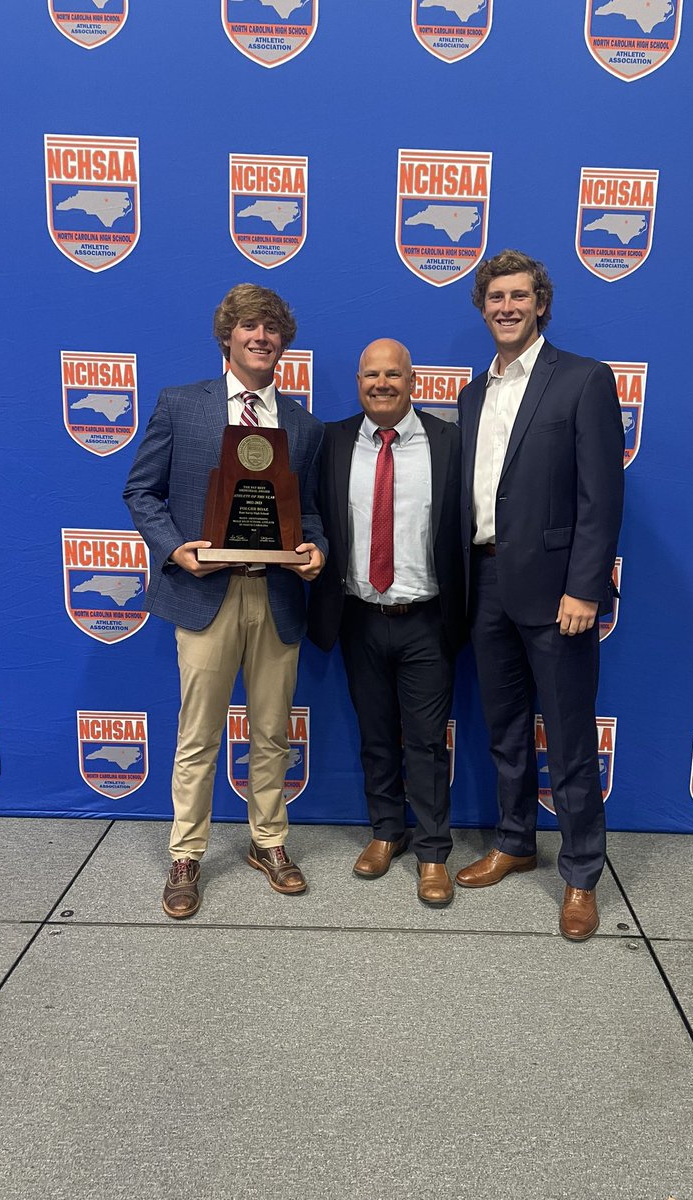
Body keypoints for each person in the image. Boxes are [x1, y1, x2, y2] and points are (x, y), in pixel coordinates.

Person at [123, 284, 327, 918]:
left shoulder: (304, 424)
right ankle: (186, 853)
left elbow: (310, 512)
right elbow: (141, 492)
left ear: (283, 341)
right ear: (227, 337)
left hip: (277, 595)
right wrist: (175, 548)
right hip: (203, 591)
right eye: (249, 326)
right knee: (199, 734)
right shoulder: (181, 404)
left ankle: (269, 842)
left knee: (272, 732)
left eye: (272, 328)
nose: (261, 337)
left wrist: (316, 549)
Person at [455, 249, 624, 940]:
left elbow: (601, 496)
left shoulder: (583, 379)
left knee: (570, 737)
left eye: (519, 296)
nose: (507, 307)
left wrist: (585, 587)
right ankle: (515, 841)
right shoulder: (472, 394)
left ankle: (581, 874)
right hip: (485, 582)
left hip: (559, 593)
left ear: (541, 304)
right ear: (482, 308)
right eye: (495, 297)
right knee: (506, 731)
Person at [308, 339, 465, 906]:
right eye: (371, 374)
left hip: (427, 618)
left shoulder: (450, 442)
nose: (381, 383)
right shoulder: (330, 441)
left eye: (393, 374)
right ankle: (386, 831)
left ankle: (433, 851)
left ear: (412, 381)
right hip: (359, 616)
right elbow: (310, 514)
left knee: (425, 742)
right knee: (375, 735)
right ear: (358, 382)